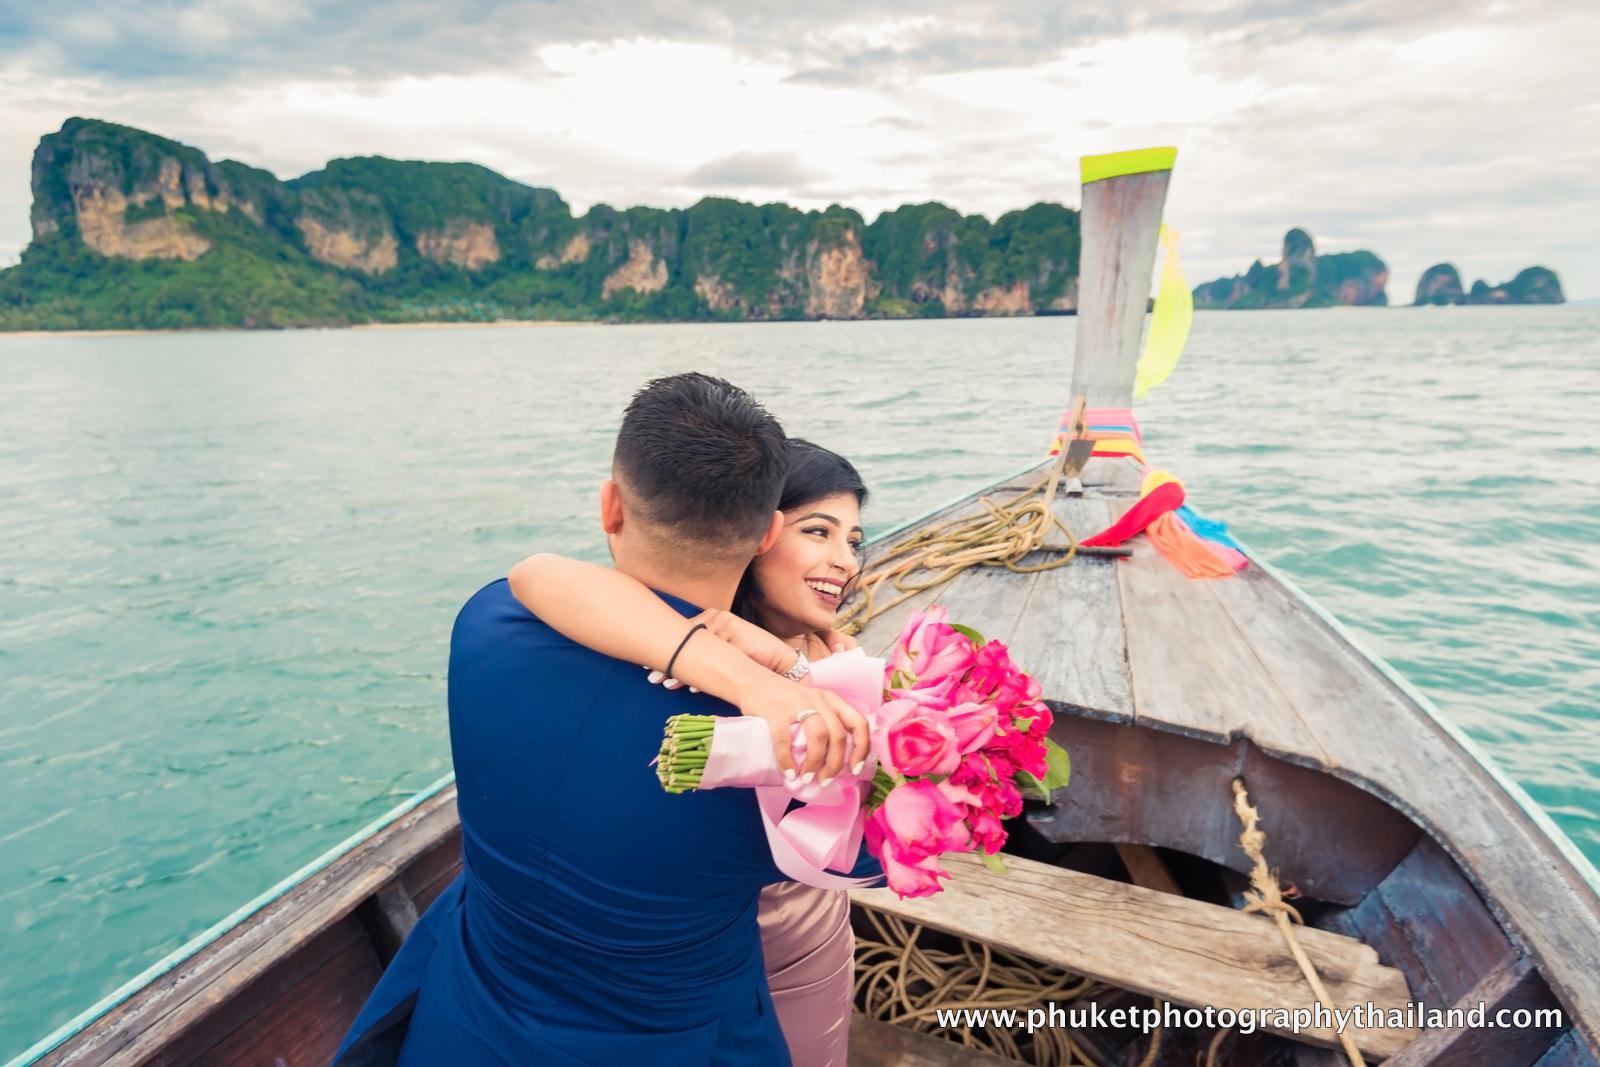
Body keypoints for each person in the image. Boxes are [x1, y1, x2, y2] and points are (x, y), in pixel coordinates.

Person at [331, 374, 870, 1067]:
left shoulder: (489, 623)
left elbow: (537, 573)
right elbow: (888, 847)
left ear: (610, 505)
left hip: (466, 1020)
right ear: (768, 534)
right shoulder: (777, 754)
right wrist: (793, 676)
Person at [506, 438, 873, 1067]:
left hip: (808, 938)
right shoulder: (678, 649)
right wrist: (744, 672)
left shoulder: (837, 655)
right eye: (819, 532)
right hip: (699, 954)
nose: (846, 561)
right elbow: (536, 574)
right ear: (759, 533)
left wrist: (795, 668)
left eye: (855, 541)